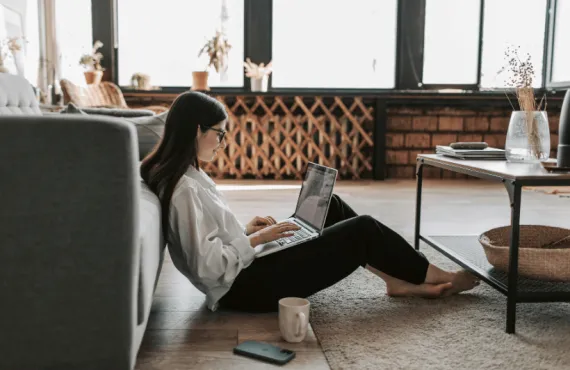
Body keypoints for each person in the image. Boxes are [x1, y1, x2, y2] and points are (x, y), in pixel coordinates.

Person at [140, 92, 480, 313]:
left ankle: (395, 279)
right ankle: (435, 275)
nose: (223, 142)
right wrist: (256, 241)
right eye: (221, 133)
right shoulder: (185, 188)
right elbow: (208, 268)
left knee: (330, 205)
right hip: (242, 289)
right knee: (362, 230)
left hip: (244, 271)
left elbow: (206, 242)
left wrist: (246, 231)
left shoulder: (188, 176)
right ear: (198, 130)